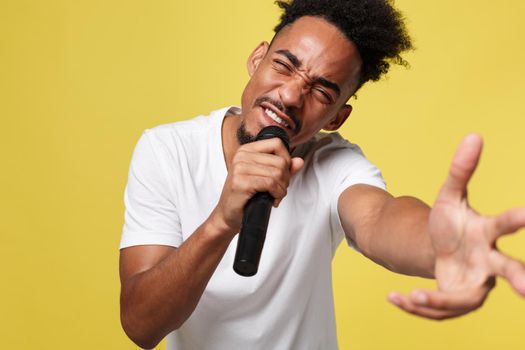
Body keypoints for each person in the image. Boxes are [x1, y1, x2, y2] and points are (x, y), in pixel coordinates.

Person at [119, 0, 525, 349]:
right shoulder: (167, 149)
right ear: (257, 58)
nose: (291, 95)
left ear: (337, 117)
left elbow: (379, 219)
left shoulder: (335, 164)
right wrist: (222, 221)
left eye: (322, 92)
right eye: (284, 65)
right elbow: (140, 325)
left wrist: (441, 246)